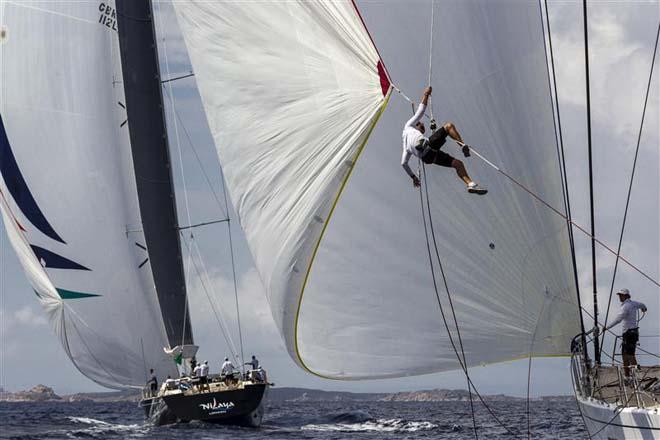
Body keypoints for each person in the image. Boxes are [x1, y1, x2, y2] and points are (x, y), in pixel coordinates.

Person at [401, 86, 487, 194]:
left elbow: (403, 163)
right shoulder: (408, 126)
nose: (422, 124)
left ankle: (470, 184)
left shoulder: (406, 147)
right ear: (415, 125)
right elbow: (421, 111)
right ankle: (462, 146)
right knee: (449, 126)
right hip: (428, 148)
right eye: (420, 124)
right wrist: (426, 94)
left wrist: (413, 177)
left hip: (429, 158)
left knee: (457, 163)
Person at [603, 288, 647, 379]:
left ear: (626, 296)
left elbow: (618, 319)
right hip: (633, 333)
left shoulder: (625, 307)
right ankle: (627, 376)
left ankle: (637, 375)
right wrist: (644, 308)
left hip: (628, 333)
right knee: (624, 355)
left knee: (630, 355)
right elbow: (642, 304)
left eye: (621, 295)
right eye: (619, 295)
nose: (620, 297)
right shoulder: (634, 303)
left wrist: (607, 327)